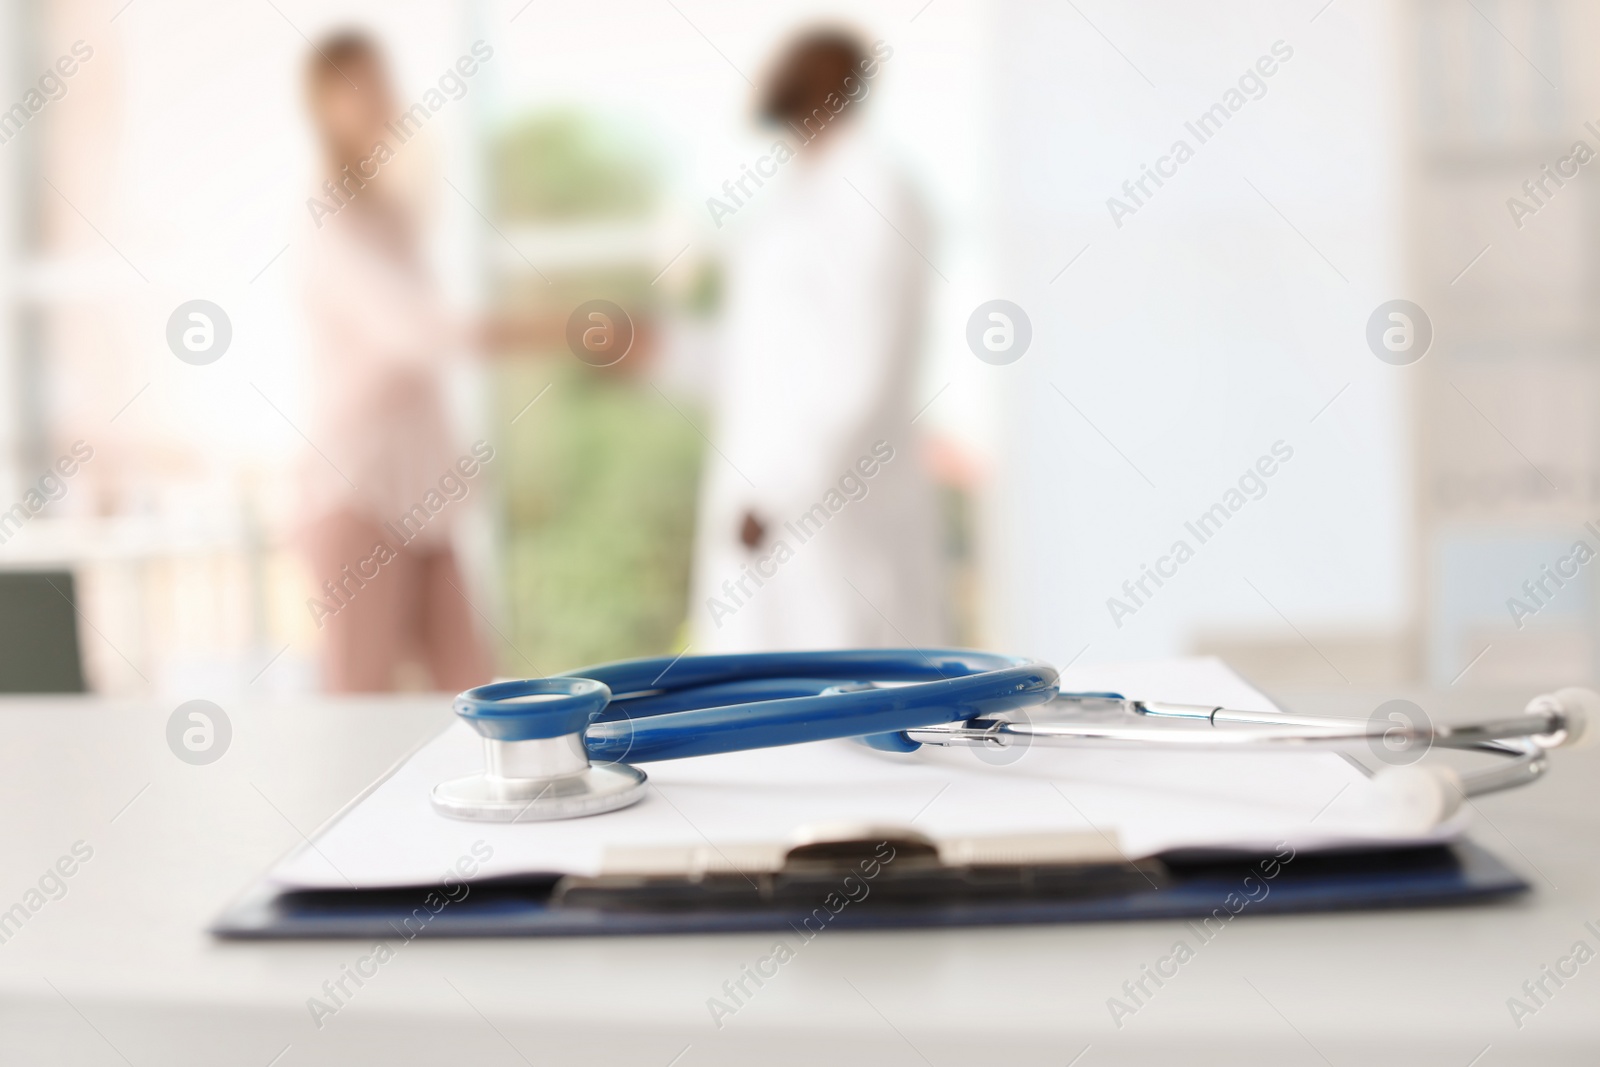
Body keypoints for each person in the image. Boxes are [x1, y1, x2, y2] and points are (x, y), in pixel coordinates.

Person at [690, 27, 946, 653]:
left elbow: (859, 368)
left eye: (791, 59)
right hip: (775, 513)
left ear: (835, 78)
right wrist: (658, 351)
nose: (768, 71)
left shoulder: (872, 188)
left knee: (849, 707)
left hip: (831, 520)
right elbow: (761, 362)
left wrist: (776, 493)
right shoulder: (796, 194)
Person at [296, 33, 493, 692]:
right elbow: (416, 337)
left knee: (477, 690)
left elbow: (423, 368)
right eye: (357, 87)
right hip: (358, 493)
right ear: (323, 106)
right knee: (361, 703)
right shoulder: (328, 220)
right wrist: (561, 328)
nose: (378, 100)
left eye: (382, 82)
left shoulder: (395, 216)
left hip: (425, 498)